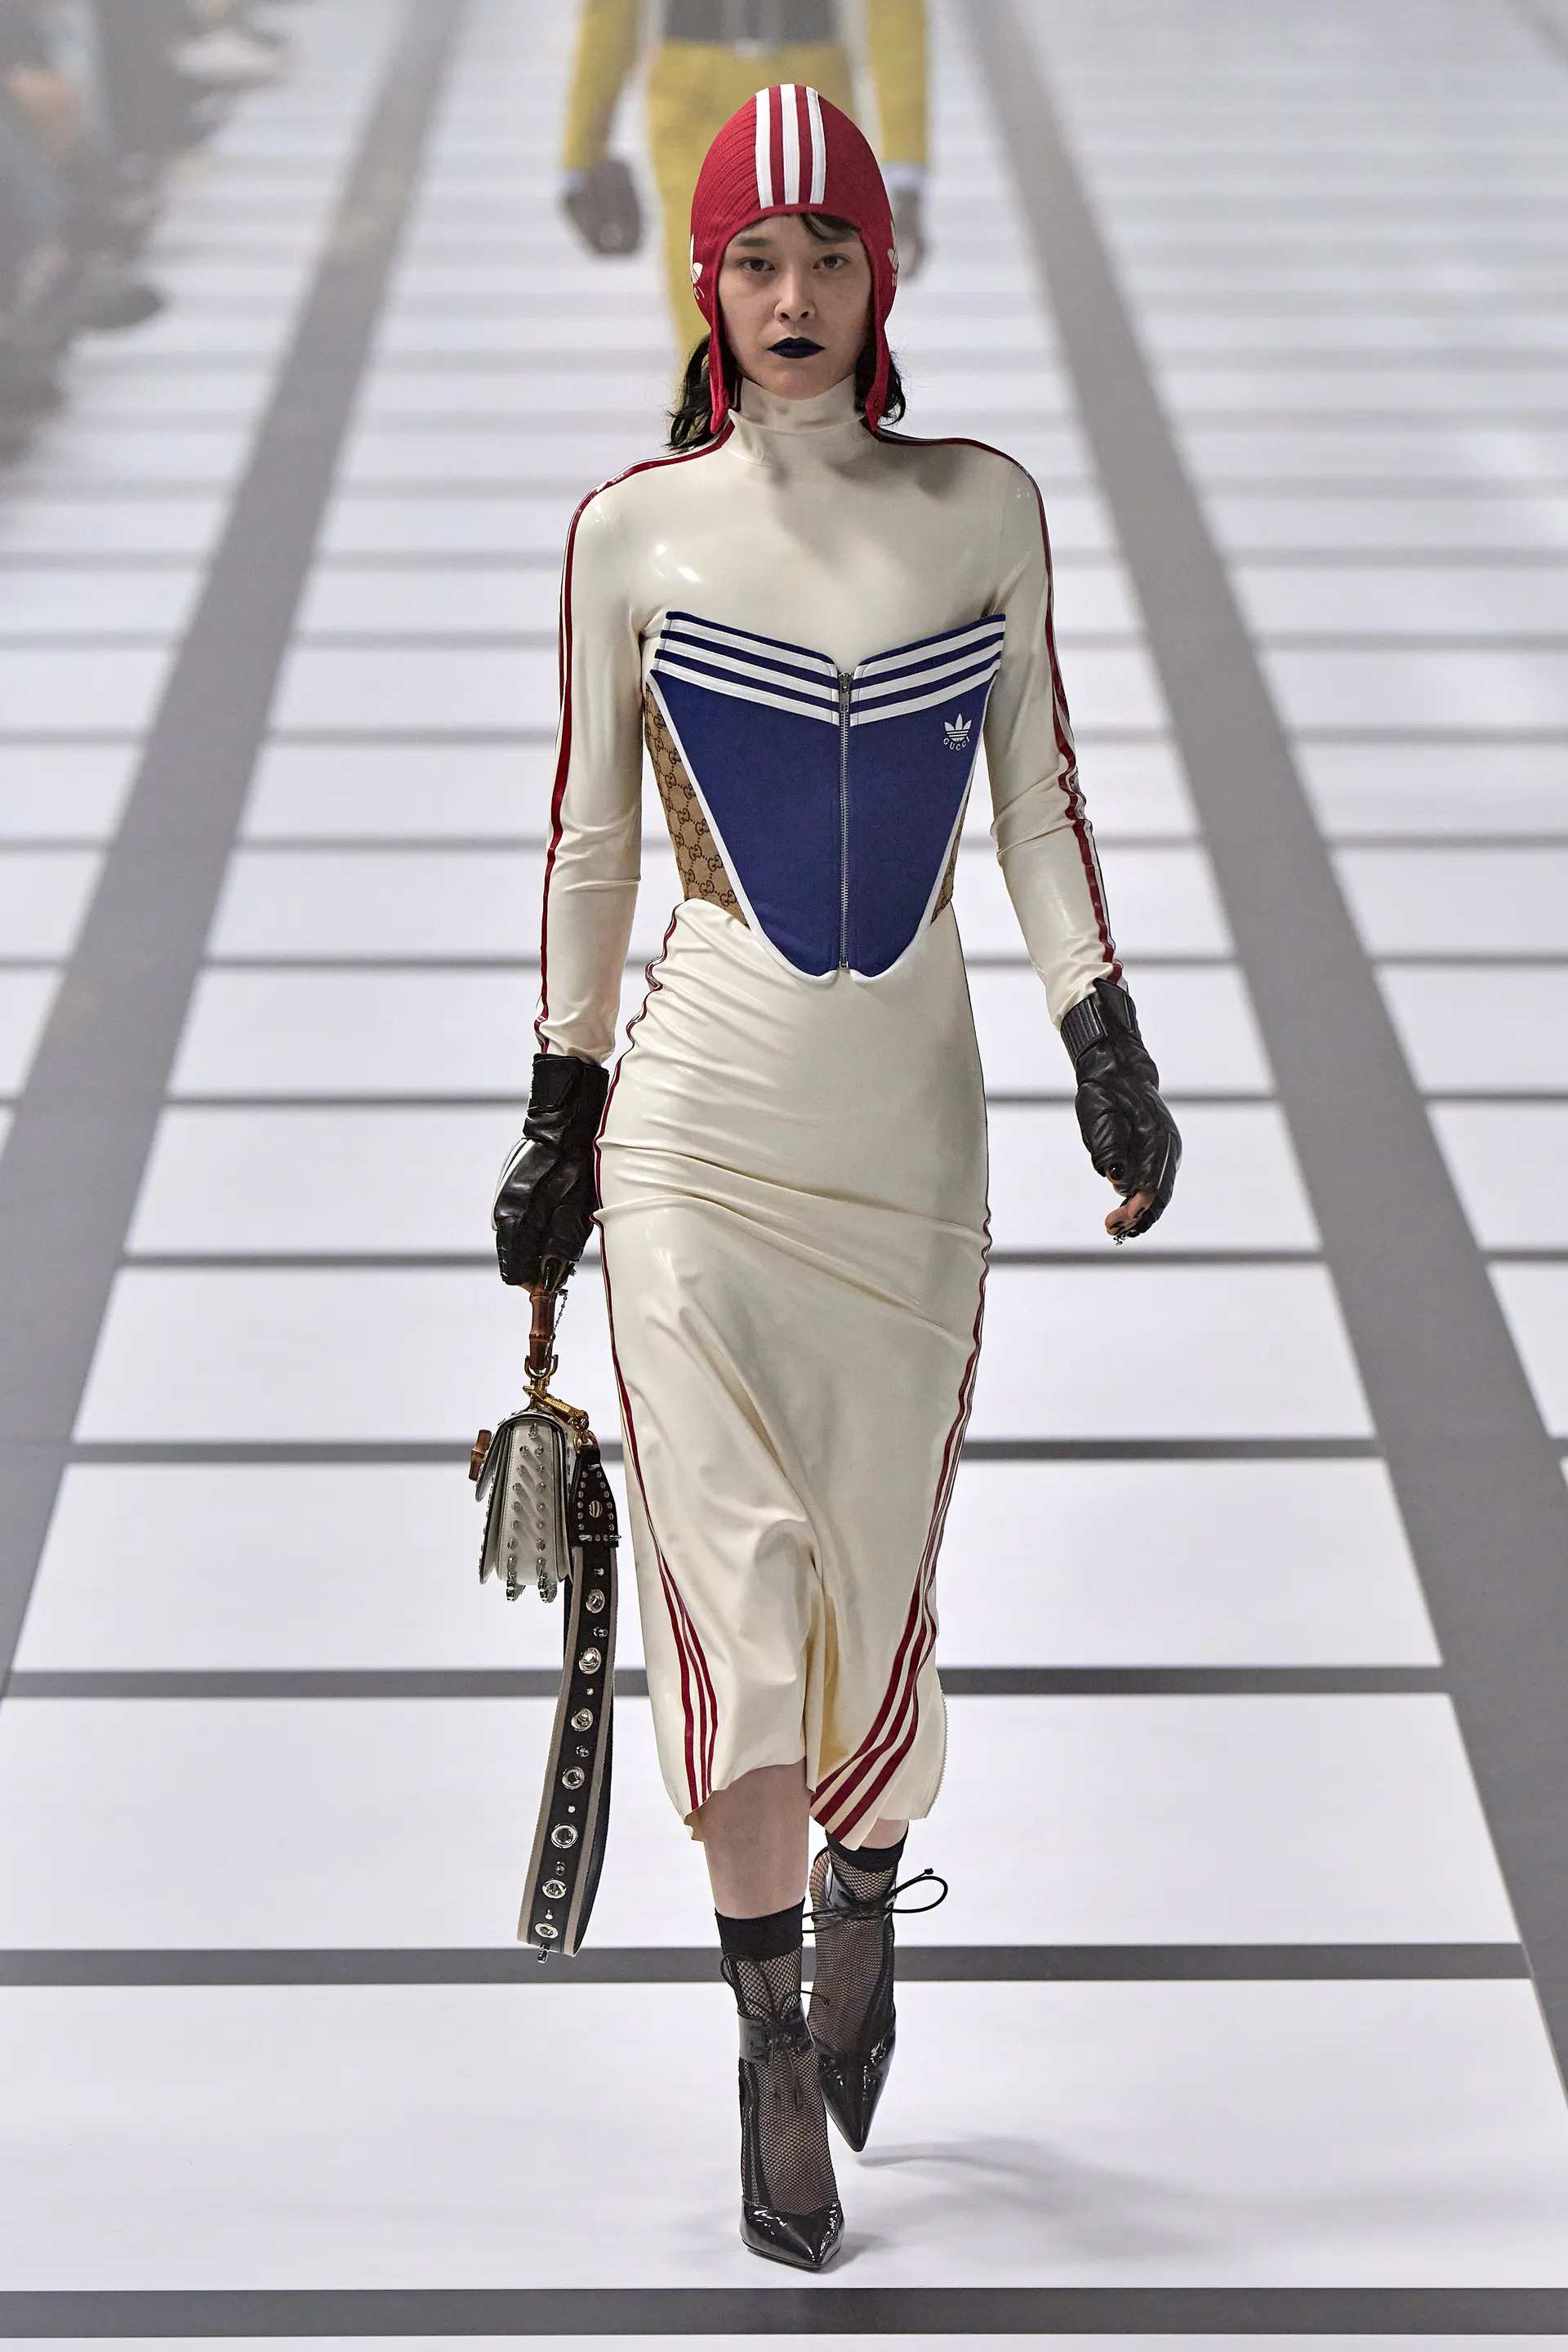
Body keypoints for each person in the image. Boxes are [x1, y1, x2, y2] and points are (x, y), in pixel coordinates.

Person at [492, 83, 1181, 2270]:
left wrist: (1103, 1035)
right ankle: (772, 2048)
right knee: (733, 1594)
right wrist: (558, 1108)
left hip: (908, 1150)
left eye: (831, 256)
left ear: (885, 275)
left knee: (873, 1587)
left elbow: (1039, 802)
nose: (792, 296)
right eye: (754, 259)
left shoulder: (981, 510)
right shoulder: (633, 532)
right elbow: (594, 839)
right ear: (704, 283)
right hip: (697, 1136)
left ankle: (868, 1873)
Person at [558, 0, 928, 348]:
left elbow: (894, 10)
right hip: (695, 101)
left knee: (811, 330)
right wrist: (582, 153)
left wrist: (906, 166)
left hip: (808, 94)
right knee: (711, 331)